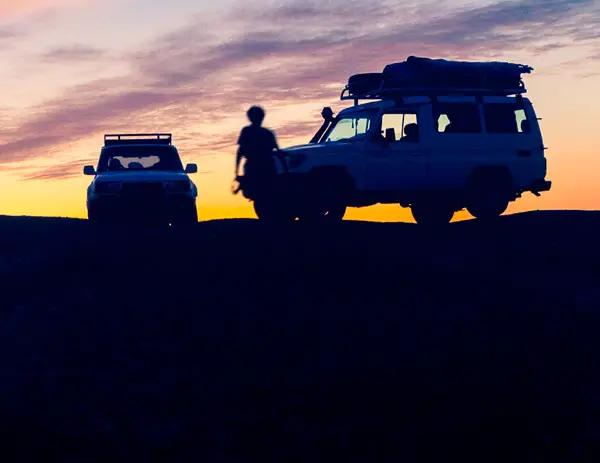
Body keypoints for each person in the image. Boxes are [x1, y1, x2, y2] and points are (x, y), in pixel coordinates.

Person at [234, 106, 287, 199]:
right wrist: (286, 170)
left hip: (255, 167)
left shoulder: (247, 131)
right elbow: (278, 152)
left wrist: (236, 170)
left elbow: (240, 151)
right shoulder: (267, 133)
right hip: (267, 166)